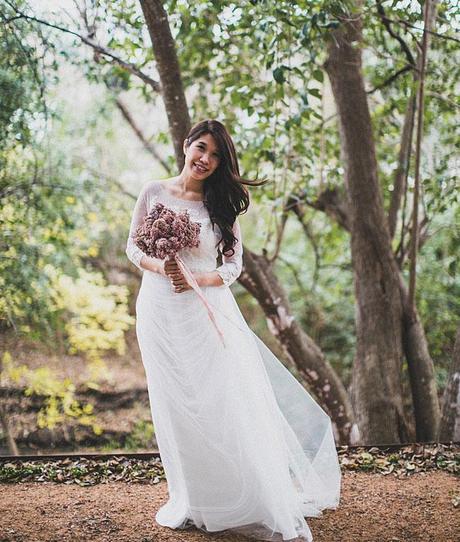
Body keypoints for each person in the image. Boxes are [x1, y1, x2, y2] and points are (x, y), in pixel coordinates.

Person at [125, 119, 341, 542]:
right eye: (201, 148)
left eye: (216, 155)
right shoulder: (153, 191)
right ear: (186, 145)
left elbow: (232, 267)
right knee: (174, 405)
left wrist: (194, 279)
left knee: (218, 400)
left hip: (206, 313)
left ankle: (238, 497)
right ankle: (193, 499)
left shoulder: (220, 205)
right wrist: (161, 266)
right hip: (158, 311)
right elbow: (133, 245)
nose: (205, 159)